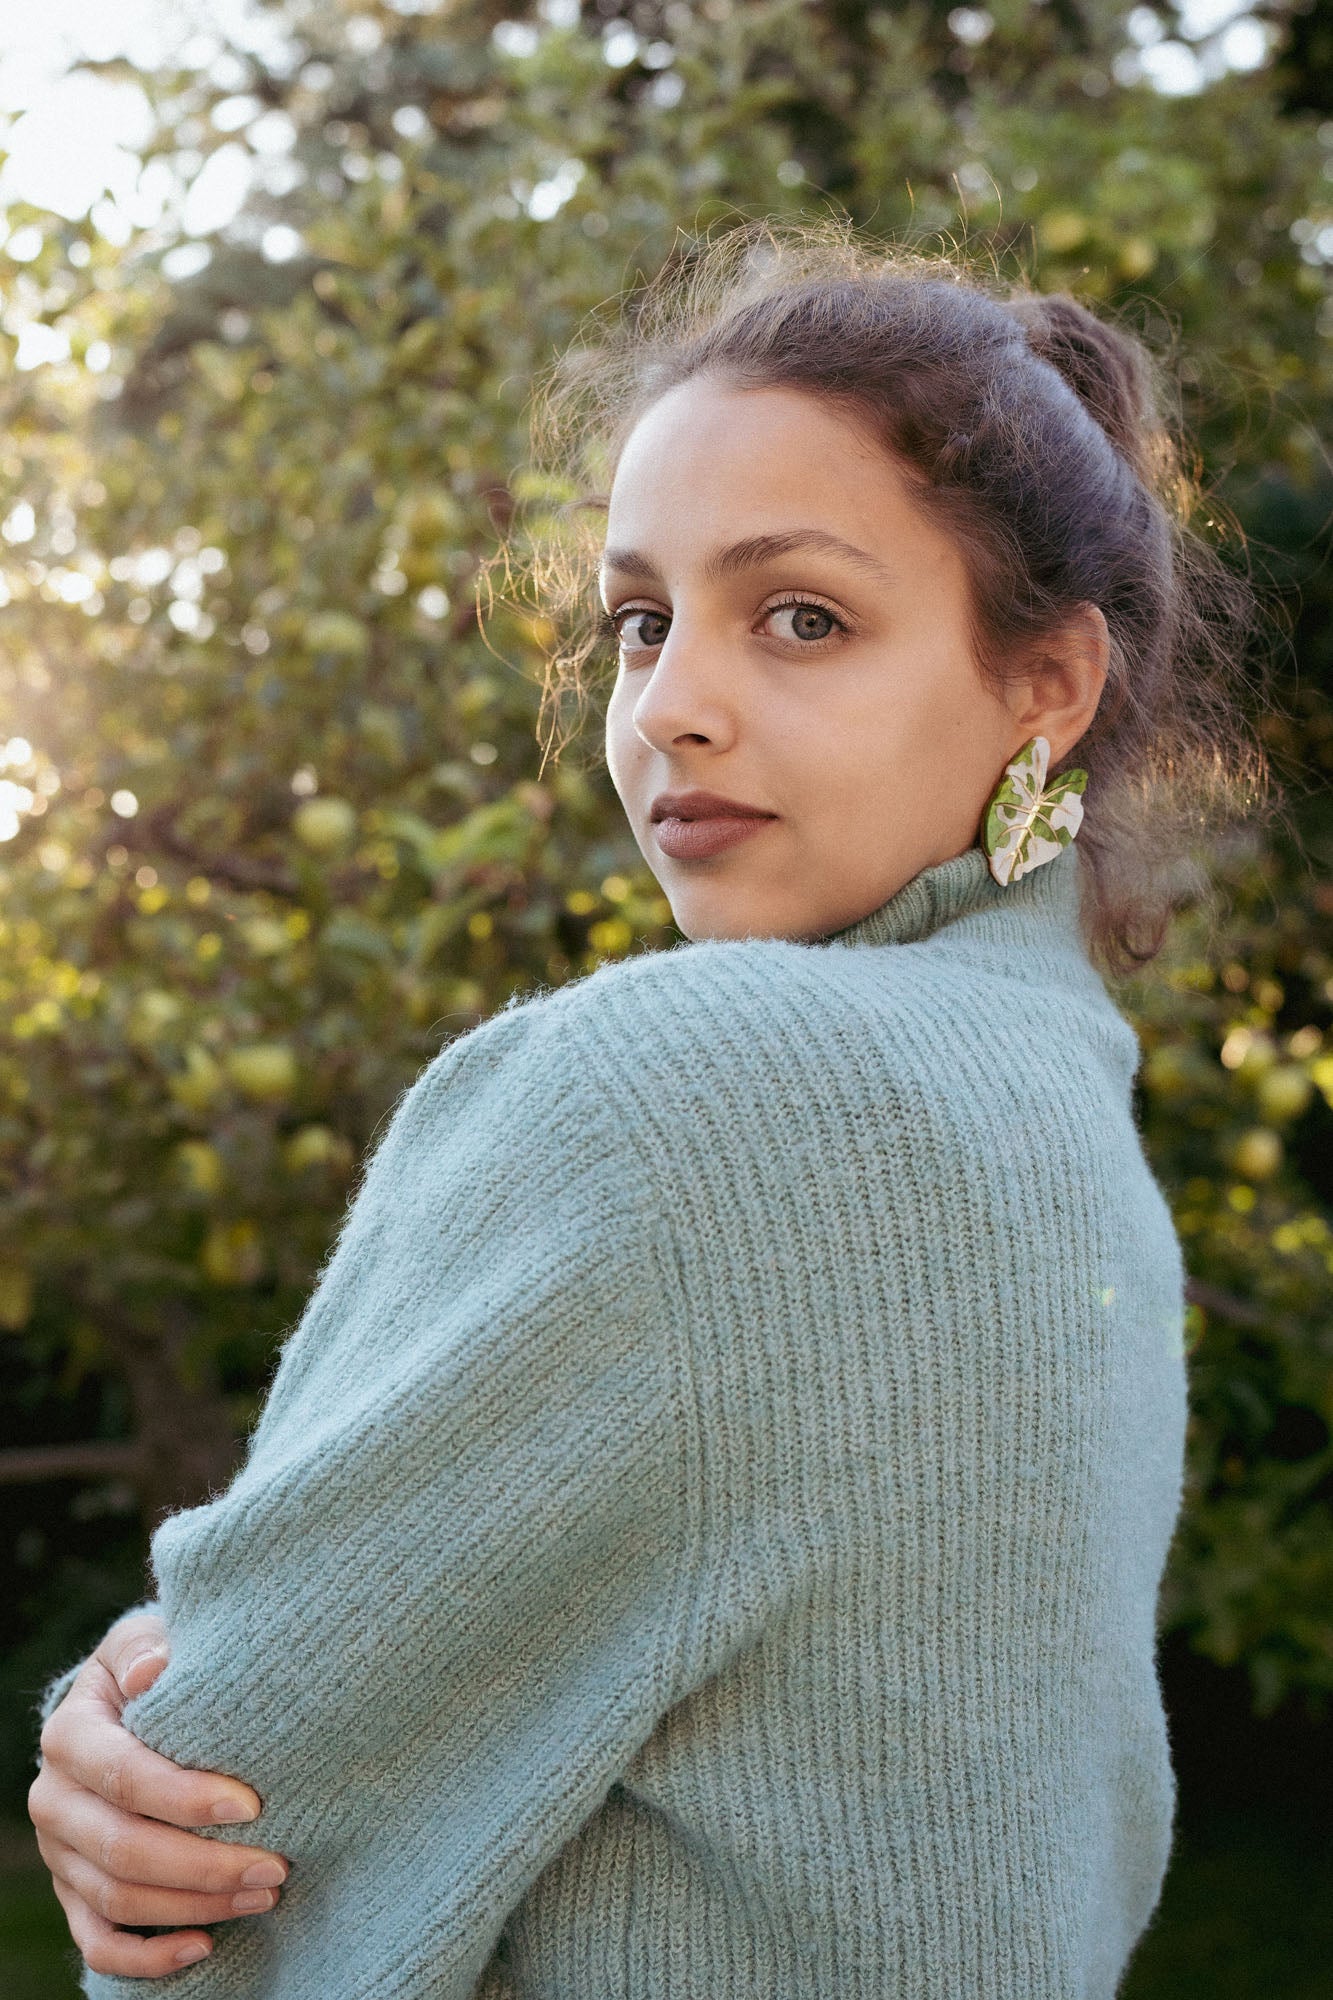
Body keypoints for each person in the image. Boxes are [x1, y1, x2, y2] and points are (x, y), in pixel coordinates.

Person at [29, 216, 1273, 1997]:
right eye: (637, 620)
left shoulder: (681, 1095)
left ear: (1045, 686)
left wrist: (119, 1724)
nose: (671, 705)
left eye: (800, 617)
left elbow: (215, 1841)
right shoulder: (1067, 1111)